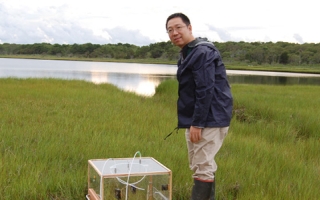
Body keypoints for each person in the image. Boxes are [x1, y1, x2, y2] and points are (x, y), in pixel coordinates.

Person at [165, 13, 233, 200]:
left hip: (209, 119)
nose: (174, 33)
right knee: (200, 165)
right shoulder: (188, 53)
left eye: (178, 27)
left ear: (189, 28)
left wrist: (198, 123)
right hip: (200, 119)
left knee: (202, 166)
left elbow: (205, 89)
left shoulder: (202, 52)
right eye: (170, 30)